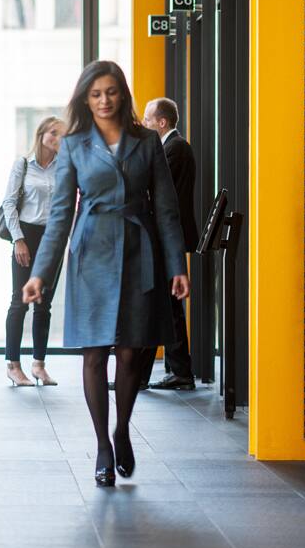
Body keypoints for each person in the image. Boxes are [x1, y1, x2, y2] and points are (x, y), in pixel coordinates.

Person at [23, 61, 190, 488]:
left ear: (123, 94)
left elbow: (167, 209)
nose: (104, 100)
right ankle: (102, 444)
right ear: (85, 98)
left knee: (134, 351)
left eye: (111, 91)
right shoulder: (75, 145)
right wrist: (41, 273)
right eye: (96, 93)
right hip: (91, 254)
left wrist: (177, 265)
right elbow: (61, 214)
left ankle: (122, 428)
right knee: (95, 352)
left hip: (139, 251)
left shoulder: (147, 141)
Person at [138, 97, 199, 391]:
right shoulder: (172, 148)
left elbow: (161, 195)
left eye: (148, 120)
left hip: (167, 239)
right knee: (166, 305)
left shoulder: (174, 149)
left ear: (161, 123)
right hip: (166, 239)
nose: (145, 124)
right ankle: (170, 372)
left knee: (164, 305)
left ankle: (172, 372)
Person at [2, 117, 65, 387]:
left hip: (53, 238)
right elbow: (9, 203)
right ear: (41, 135)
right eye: (53, 133)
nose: (57, 138)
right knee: (20, 301)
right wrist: (18, 239)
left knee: (44, 304)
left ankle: (39, 364)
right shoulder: (23, 164)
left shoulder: (64, 167)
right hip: (27, 236)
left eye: (62, 135)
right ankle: (13, 365)